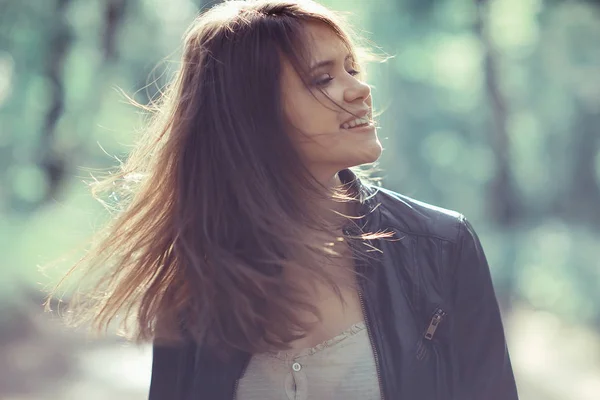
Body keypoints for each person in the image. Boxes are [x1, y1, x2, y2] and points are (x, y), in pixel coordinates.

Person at [49, 0, 519, 399]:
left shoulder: (441, 245)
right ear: (252, 110)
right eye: (323, 79)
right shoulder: (199, 263)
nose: (360, 90)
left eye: (352, 69)